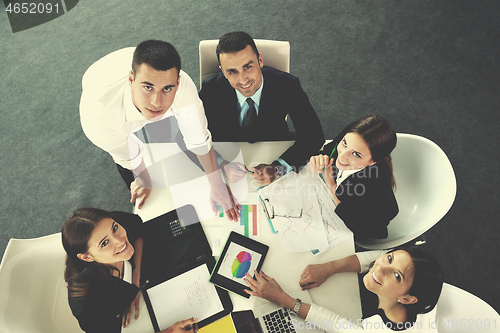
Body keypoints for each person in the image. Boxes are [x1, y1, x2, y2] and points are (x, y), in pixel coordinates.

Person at [80, 40, 240, 220]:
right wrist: (144, 180)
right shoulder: (101, 119)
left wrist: (217, 185)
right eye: (148, 87)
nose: (157, 102)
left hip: (129, 64)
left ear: (177, 83)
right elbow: (128, 156)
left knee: (173, 130)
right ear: (131, 80)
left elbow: (199, 140)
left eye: (167, 89)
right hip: (101, 78)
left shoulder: (183, 87)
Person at [199, 31, 325, 186]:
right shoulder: (211, 89)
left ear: (260, 60)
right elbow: (191, 136)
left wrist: (278, 168)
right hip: (228, 154)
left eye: (247, 67)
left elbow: (314, 135)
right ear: (223, 71)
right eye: (232, 71)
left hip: (274, 145)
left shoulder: (287, 85)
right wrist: (219, 164)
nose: (243, 79)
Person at [245, 246, 443, 332]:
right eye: (390, 259)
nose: (381, 267)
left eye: (396, 275)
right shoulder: (413, 293)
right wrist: (329, 268)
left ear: (407, 299)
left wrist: (282, 299)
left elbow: (337, 325)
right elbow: (378, 256)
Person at [62, 208, 198, 333]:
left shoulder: (107, 224)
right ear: (87, 257)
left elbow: (137, 226)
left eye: (114, 228)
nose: (120, 241)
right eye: (104, 243)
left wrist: (136, 276)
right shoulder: (87, 305)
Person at [309, 115, 398, 241]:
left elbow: (360, 225)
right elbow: (329, 150)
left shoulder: (370, 184)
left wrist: (331, 183)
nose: (342, 156)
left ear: (372, 161)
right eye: (344, 143)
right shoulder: (350, 139)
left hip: (361, 225)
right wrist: (318, 160)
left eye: (356, 154)